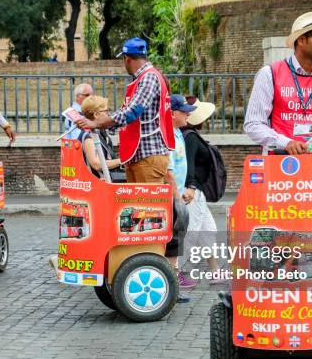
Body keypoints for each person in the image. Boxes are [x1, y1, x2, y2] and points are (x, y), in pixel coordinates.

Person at [244, 12, 312, 156]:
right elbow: (253, 124)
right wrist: (286, 143)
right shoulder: (270, 74)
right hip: (280, 165)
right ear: (301, 40)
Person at [75, 37, 175, 183]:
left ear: (127, 58)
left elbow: (133, 111)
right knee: (137, 205)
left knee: (146, 205)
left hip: (148, 155)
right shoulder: (144, 78)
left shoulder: (148, 78)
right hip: (140, 155)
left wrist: (98, 123)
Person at [180, 96, 222, 285]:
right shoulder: (190, 137)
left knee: (208, 230)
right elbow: (188, 165)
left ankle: (215, 271)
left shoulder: (190, 135)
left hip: (198, 192)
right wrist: (191, 186)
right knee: (192, 231)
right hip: (193, 191)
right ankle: (177, 272)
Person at [164, 95, 197, 300]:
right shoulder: (168, 135)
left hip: (178, 192)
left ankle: (173, 279)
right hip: (171, 195)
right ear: (172, 113)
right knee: (173, 239)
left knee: (177, 238)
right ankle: (171, 282)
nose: (187, 114)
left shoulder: (177, 133)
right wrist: (177, 196)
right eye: (183, 111)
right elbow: (168, 172)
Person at [78, 95, 121, 178]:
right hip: (97, 185)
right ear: (96, 115)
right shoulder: (89, 136)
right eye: (106, 111)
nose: (109, 114)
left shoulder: (100, 132)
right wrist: (121, 161)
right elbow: (96, 164)